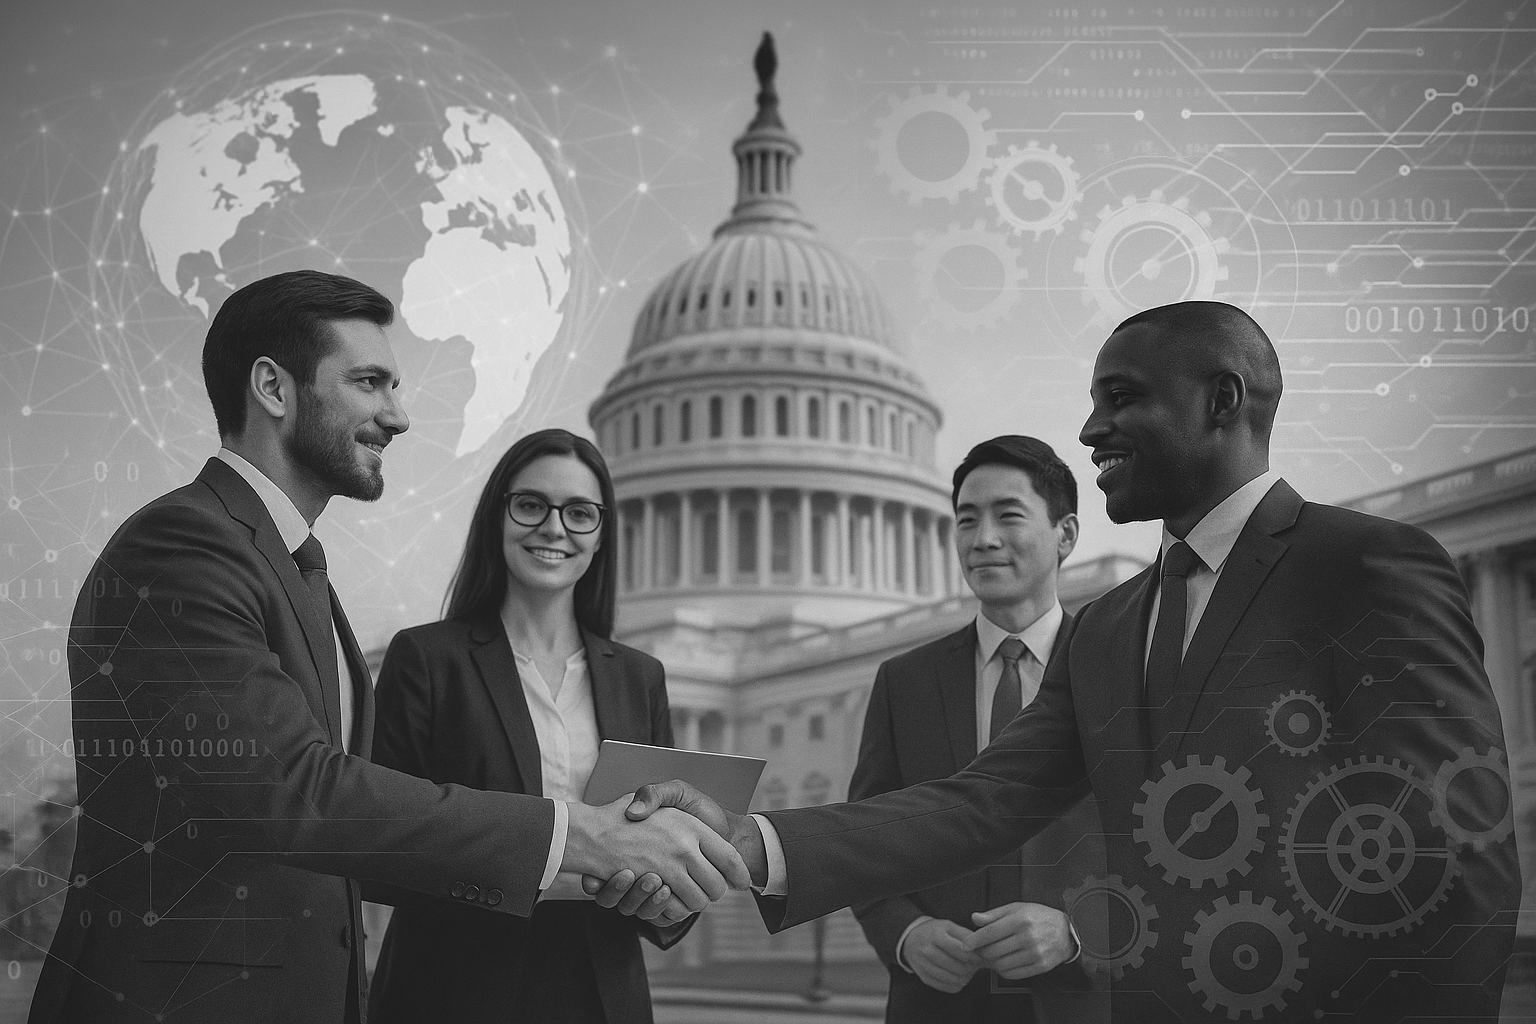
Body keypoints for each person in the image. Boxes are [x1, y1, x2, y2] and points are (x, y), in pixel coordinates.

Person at [622, 301, 1522, 1023]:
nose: (1091, 428)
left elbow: (1457, 858)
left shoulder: (1365, 567)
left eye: (1122, 397)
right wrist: (750, 840)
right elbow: (979, 800)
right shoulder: (1107, 628)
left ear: (1223, 399)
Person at [29, 271, 745, 1024]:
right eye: (370, 382)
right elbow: (291, 790)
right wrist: (579, 834)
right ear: (273, 388)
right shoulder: (182, 547)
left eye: (394, 386)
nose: (399, 416)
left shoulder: (298, 571)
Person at [364, 428, 692, 1024]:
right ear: (499, 516)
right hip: (452, 987)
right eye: (532, 505)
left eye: (580, 513)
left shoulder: (640, 677)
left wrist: (667, 895)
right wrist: (544, 853)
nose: (554, 528)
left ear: (601, 535)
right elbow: (385, 842)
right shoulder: (427, 660)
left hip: (603, 989)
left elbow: (664, 840)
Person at [850, 435, 1108, 1024]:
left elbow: (1169, 853)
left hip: (1084, 1003)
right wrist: (906, 933)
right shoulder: (904, 682)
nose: (982, 539)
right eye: (967, 521)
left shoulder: (1124, 673)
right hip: (937, 1007)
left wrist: (1078, 930)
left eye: (1007, 516)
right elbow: (867, 842)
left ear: (1065, 534)